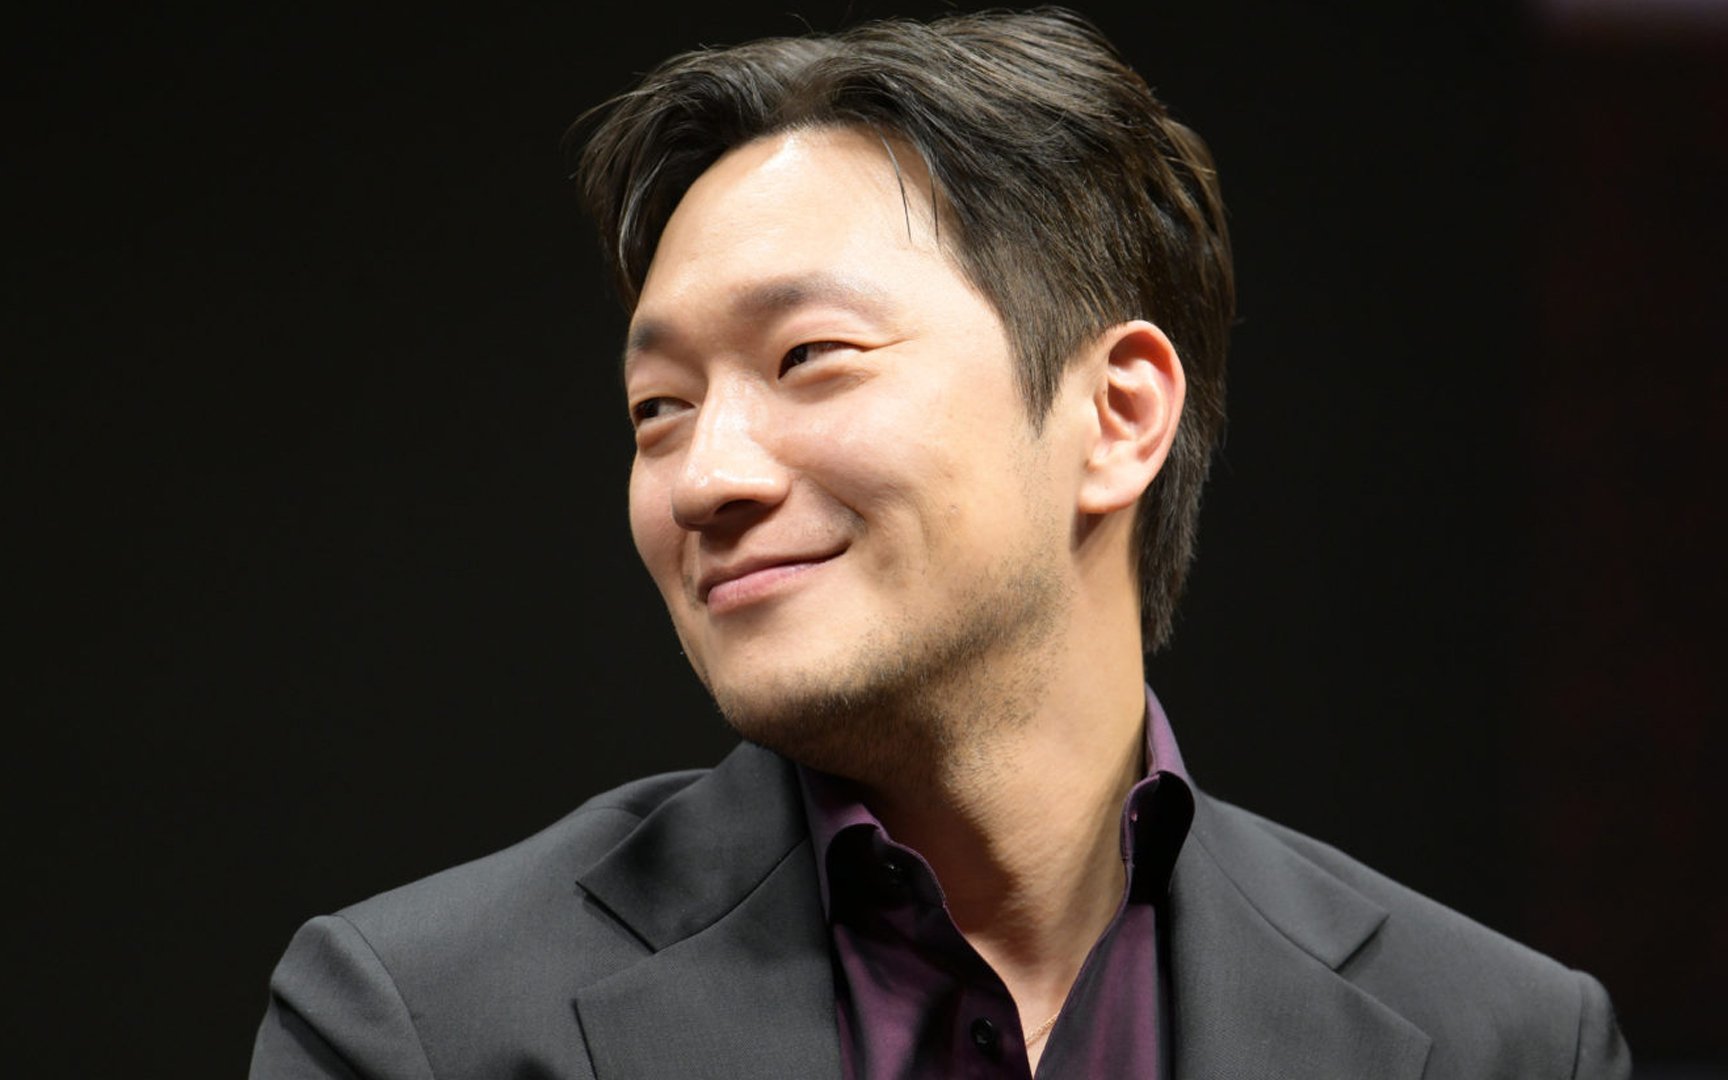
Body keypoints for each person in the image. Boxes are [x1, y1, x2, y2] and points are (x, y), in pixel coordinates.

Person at [250, 9, 1629, 1078]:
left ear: (1116, 416)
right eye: (657, 408)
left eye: (809, 357)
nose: (704, 477)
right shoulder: (418, 1023)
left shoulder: (1506, 1042)